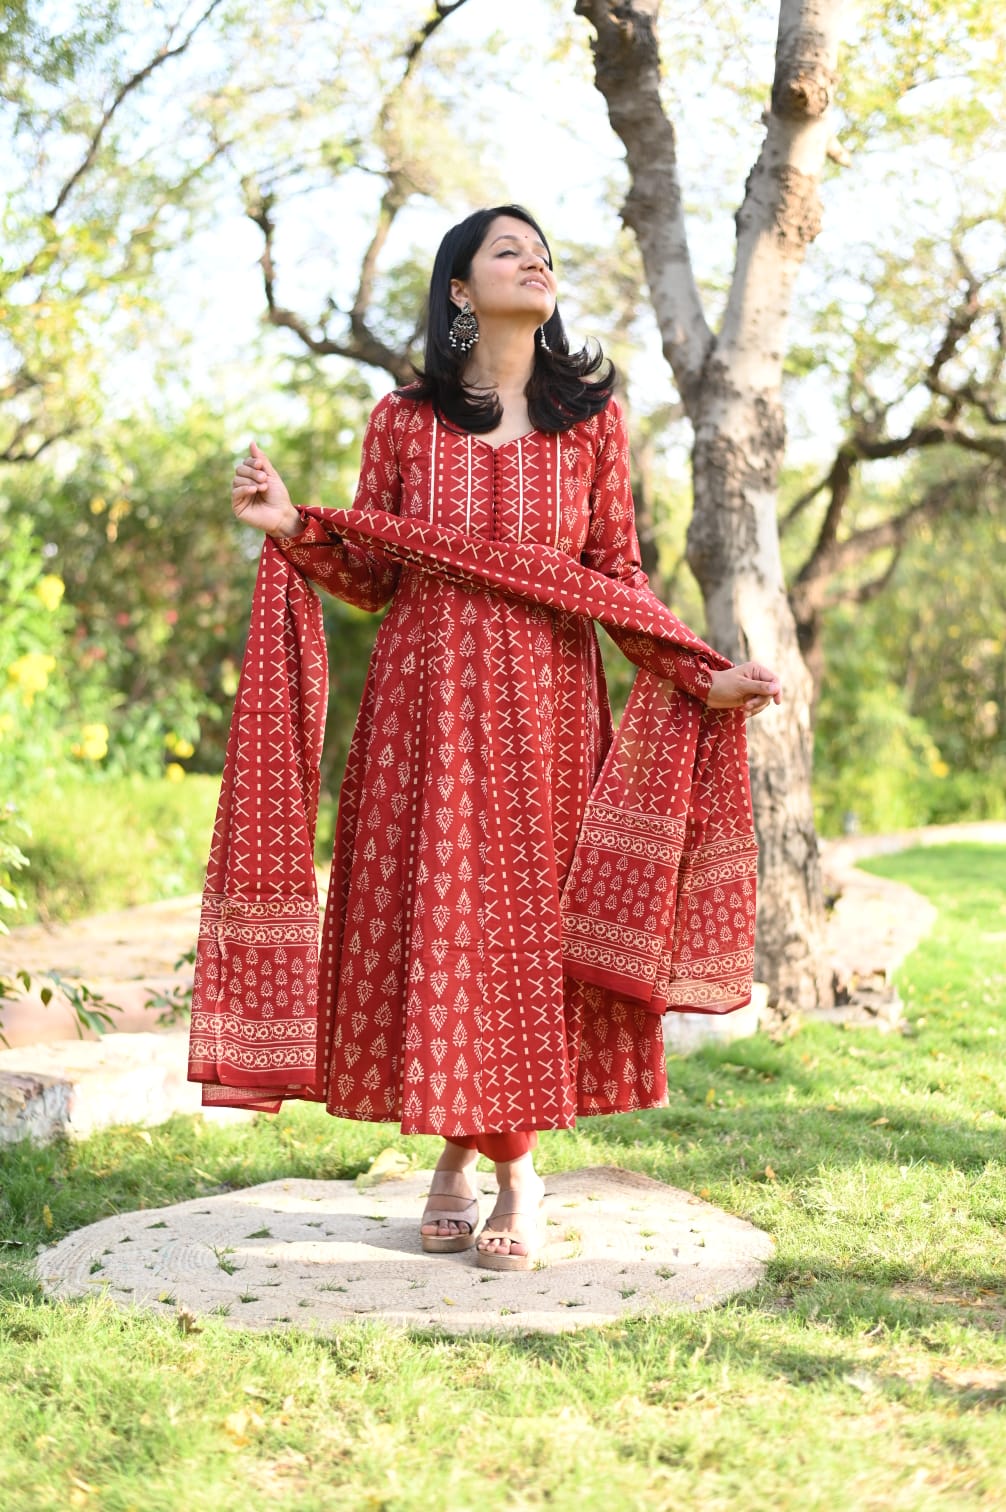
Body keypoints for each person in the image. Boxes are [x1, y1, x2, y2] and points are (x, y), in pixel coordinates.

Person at [224, 204, 781, 1271]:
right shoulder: (402, 420)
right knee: (440, 922)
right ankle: (453, 1155)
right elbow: (376, 575)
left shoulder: (591, 427)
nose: (536, 260)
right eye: (506, 249)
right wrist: (294, 527)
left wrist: (695, 674)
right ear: (461, 290)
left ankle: (514, 1171)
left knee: (523, 936)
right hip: (421, 711)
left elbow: (614, 577)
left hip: (548, 710)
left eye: (544, 251)